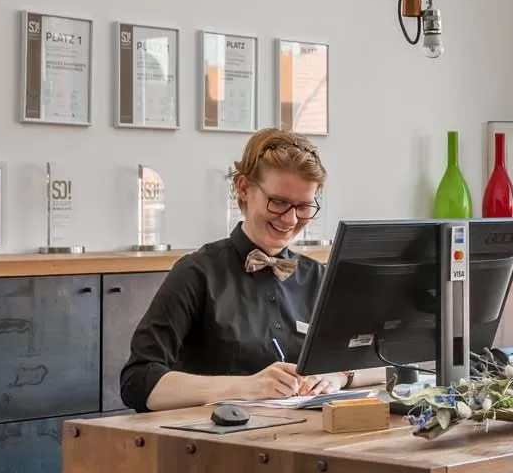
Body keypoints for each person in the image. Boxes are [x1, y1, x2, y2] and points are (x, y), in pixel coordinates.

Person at [120, 129, 370, 412]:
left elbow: (384, 360)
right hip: (217, 435)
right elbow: (137, 382)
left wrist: (339, 376)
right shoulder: (196, 273)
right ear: (243, 188)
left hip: (303, 434)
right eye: (278, 202)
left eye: (303, 207)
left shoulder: (318, 278)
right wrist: (247, 387)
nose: (290, 219)